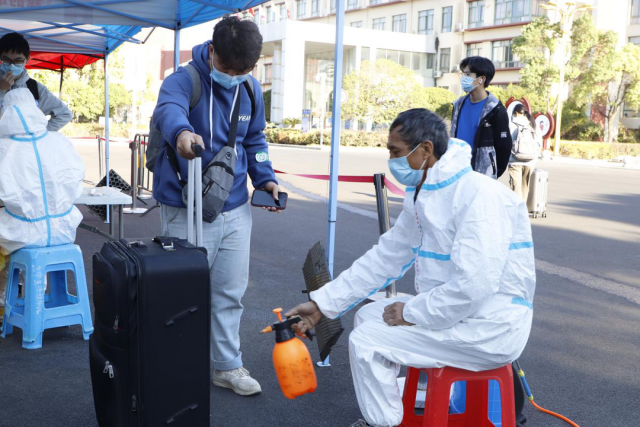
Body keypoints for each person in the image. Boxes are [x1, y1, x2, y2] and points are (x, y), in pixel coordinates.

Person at [286, 109, 536, 427]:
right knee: (368, 316)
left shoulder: (479, 196)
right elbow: (387, 256)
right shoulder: (426, 193)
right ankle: (390, 416)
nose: (391, 160)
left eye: (396, 152)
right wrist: (322, 304)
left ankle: (383, 423)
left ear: (426, 149)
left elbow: (473, 287)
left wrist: (413, 312)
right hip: (458, 315)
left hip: (489, 327)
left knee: (367, 341)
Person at [152, 16, 279, 396]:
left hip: (235, 206)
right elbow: (168, 110)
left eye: (243, 71)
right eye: (227, 67)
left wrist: (266, 178)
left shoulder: (250, 88)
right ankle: (176, 368)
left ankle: (227, 366)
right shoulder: (183, 80)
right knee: (181, 295)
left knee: (229, 293)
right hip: (185, 206)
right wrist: (182, 133)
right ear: (212, 51)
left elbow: (254, 140)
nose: (233, 76)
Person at [450, 56, 512, 179]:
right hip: (456, 172)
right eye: (463, 74)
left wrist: (491, 172)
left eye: (468, 74)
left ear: (482, 79)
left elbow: (504, 148)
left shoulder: (496, 110)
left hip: (481, 176)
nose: (463, 78)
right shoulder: (457, 105)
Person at [0, 33, 72, 132]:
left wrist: (40, 133)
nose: (12, 66)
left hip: (25, 142)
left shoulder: (35, 88)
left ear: (27, 60)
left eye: (18, 61)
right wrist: (1, 91)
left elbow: (64, 114)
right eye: (6, 60)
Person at [509, 104, 542, 201]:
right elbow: (539, 143)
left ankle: (517, 209)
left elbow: (508, 142)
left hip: (515, 161)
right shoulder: (534, 124)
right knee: (525, 189)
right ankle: (523, 209)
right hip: (530, 162)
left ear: (515, 113)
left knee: (516, 190)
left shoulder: (512, 123)